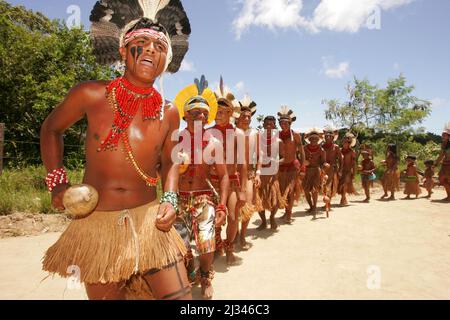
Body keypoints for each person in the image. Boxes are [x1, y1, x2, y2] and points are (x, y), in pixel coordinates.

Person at [40, 1, 193, 300]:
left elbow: (171, 160)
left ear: (166, 59)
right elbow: (50, 129)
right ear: (123, 50)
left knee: (182, 299)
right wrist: (57, 182)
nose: (151, 50)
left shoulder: (169, 112)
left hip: (151, 224)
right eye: (141, 42)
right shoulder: (92, 94)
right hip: (97, 224)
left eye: (159, 46)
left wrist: (171, 198)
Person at [173, 76, 229, 299]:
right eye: (195, 112)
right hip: (180, 197)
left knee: (206, 243)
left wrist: (222, 206)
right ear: (185, 114)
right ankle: (190, 272)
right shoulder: (175, 139)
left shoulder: (214, 143)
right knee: (181, 245)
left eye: (205, 113)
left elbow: (224, 176)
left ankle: (205, 276)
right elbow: (161, 169)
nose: (201, 116)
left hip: (204, 198)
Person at [209, 78, 248, 266]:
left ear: (231, 114)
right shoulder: (207, 133)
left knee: (232, 217)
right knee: (211, 217)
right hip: (210, 182)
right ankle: (217, 245)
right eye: (216, 111)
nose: (219, 114)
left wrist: (243, 190)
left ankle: (230, 246)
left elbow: (243, 164)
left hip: (232, 182)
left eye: (223, 112)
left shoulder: (239, 134)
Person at [234, 95, 262, 250]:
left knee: (248, 206)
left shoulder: (255, 133)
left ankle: (243, 235)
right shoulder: (232, 132)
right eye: (243, 115)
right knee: (234, 207)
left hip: (250, 174)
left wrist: (258, 173)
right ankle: (234, 235)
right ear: (237, 116)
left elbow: (259, 155)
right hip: (234, 174)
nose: (246, 118)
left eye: (249, 116)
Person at [256, 116, 286, 230]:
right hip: (260, 174)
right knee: (259, 200)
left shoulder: (278, 141)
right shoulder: (258, 140)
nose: (269, 126)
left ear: (274, 126)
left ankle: (272, 217)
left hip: (273, 174)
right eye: (267, 123)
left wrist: (276, 162)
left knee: (275, 199)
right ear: (263, 125)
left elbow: (284, 157)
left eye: (271, 124)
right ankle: (263, 221)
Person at [277, 106, 304, 224]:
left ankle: (289, 213)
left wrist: (303, 168)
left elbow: (302, 152)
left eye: (286, 123)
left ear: (290, 123)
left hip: (293, 167)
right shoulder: (277, 135)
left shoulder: (296, 135)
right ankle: (286, 211)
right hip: (281, 167)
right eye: (281, 123)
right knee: (283, 191)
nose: (283, 125)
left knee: (291, 191)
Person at [303, 128, 326, 217]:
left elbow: (323, 162)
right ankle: (311, 206)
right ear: (309, 139)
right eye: (312, 138)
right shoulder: (304, 148)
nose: (314, 140)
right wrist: (304, 161)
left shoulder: (321, 150)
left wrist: (325, 164)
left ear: (318, 140)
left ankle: (315, 207)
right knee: (305, 190)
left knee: (314, 190)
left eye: (316, 139)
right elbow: (300, 159)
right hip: (307, 171)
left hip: (316, 171)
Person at [322, 126, 342, 210]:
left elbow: (341, 159)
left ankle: (328, 203)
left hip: (332, 169)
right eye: (326, 136)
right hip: (323, 168)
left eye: (330, 136)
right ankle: (326, 201)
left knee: (329, 185)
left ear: (333, 138)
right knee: (324, 185)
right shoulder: (322, 146)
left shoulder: (336, 147)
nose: (328, 138)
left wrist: (340, 170)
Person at [338, 132, 357, 206]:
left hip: (348, 171)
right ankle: (344, 198)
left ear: (350, 143)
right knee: (340, 185)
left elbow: (354, 164)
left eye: (347, 142)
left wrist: (354, 173)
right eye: (344, 142)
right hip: (340, 171)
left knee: (344, 184)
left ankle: (342, 199)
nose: (345, 143)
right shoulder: (339, 150)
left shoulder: (352, 152)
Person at [435, 123, 450, 201]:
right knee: (443, 180)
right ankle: (448, 196)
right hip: (445, 165)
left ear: (448, 136)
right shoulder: (443, 145)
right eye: (442, 135)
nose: (443, 136)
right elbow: (441, 156)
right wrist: (436, 163)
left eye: (445, 135)